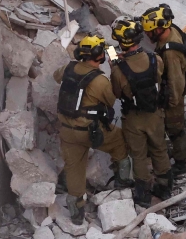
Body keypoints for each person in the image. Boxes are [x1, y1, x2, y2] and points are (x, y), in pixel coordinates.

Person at [54, 34, 133, 224]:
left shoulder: (68, 68)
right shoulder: (99, 80)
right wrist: (115, 68)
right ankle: (122, 179)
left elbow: (56, 76)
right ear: (100, 56)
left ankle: (76, 214)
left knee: (75, 167)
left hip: (66, 130)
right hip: (90, 131)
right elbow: (111, 99)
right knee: (119, 139)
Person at [109, 18, 172, 207]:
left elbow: (116, 93)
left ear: (121, 42)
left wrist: (115, 66)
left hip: (134, 118)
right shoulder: (155, 59)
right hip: (155, 114)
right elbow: (158, 80)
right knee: (160, 149)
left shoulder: (118, 69)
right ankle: (164, 187)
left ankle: (143, 195)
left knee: (138, 156)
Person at [141, 3, 186, 176]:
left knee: (176, 131)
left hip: (173, 97)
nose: (147, 35)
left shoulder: (170, 53)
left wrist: (170, 104)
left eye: (150, 32)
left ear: (160, 29)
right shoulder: (169, 31)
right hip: (170, 89)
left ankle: (180, 163)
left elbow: (176, 81)